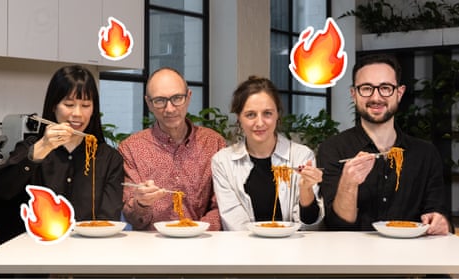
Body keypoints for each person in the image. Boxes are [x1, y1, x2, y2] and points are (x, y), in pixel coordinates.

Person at [317, 53, 451, 235]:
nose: (376, 97)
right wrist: (349, 183)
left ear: (399, 93)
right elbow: (337, 227)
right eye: (366, 88)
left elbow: (438, 213)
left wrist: (440, 222)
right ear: (354, 94)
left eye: (385, 88)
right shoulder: (333, 149)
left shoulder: (425, 153)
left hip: (412, 257)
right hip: (352, 258)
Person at [0, 65, 124, 246]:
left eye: (86, 105)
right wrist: (39, 151)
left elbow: (108, 218)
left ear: (94, 109)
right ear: (53, 106)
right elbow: (1, 192)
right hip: (31, 254)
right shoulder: (30, 148)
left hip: (86, 255)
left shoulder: (109, 158)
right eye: (69, 104)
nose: (77, 113)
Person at [118, 67, 226, 231]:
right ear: (149, 103)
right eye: (160, 101)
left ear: (188, 97)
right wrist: (140, 203)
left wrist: (195, 230)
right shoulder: (131, 148)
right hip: (150, 246)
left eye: (177, 98)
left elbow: (222, 205)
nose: (169, 109)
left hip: (202, 243)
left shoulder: (213, 143)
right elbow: (134, 219)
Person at [211, 76, 324, 231]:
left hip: (292, 247)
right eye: (250, 114)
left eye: (267, 113)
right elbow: (233, 221)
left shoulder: (302, 156)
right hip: (244, 247)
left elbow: (309, 225)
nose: (259, 123)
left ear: (277, 114)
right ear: (239, 118)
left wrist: (306, 190)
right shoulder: (223, 161)